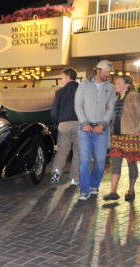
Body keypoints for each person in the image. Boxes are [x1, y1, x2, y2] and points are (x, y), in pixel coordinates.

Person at [74, 60, 116, 201]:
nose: (108, 74)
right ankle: (84, 190)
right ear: (97, 70)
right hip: (84, 130)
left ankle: (94, 184)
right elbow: (78, 106)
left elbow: (110, 108)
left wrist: (103, 124)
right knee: (84, 161)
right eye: (105, 72)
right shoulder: (84, 86)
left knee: (99, 161)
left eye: (109, 72)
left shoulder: (110, 88)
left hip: (101, 130)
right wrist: (84, 123)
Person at [103, 75, 140, 201]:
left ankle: (131, 189)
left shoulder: (134, 96)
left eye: (119, 83)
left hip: (131, 135)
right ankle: (113, 191)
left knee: (131, 163)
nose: (116, 85)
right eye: (115, 83)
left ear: (127, 84)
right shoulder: (116, 98)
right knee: (116, 164)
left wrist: (138, 129)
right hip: (117, 136)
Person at [50, 68, 80, 186]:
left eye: (62, 77)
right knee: (78, 152)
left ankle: (57, 170)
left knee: (62, 150)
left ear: (68, 77)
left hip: (64, 124)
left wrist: (58, 123)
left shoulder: (60, 92)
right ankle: (74, 178)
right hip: (79, 124)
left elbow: (53, 112)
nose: (62, 80)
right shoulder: (81, 91)